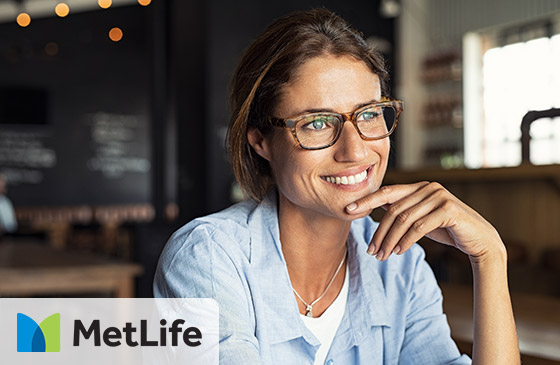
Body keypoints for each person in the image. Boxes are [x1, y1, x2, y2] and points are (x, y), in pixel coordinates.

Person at [154, 8, 519, 364]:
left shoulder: (400, 268)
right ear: (260, 140)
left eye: (369, 114)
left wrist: (489, 256)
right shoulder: (209, 258)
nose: (356, 149)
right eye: (316, 123)